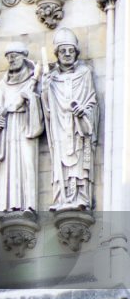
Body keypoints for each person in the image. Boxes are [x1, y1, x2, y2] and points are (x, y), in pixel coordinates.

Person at [41, 28, 98, 211]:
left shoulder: (84, 73)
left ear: (76, 53)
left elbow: (92, 101)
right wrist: (44, 88)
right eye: (63, 51)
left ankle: (80, 196)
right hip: (59, 127)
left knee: (80, 161)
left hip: (78, 128)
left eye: (70, 50)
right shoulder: (52, 78)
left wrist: (84, 112)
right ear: (57, 54)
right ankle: (62, 197)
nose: (67, 54)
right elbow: (47, 109)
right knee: (61, 160)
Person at [0, 41, 43, 214]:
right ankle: (8, 205)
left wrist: (31, 99)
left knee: (27, 162)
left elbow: (39, 102)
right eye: (8, 57)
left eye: (14, 56)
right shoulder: (3, 84)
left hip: (25, 124)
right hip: (8, 128)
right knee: (9, 167)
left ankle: (29, 205)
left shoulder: (32, 79)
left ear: (23, 57)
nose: (11, 60)